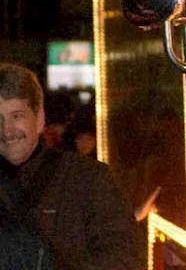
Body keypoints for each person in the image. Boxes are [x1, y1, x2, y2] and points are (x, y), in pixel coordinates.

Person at [0, 63, 143, 270]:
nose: (7, 131)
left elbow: (125, 256)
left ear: (39, 119)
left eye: (17, 116)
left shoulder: (89, 179)